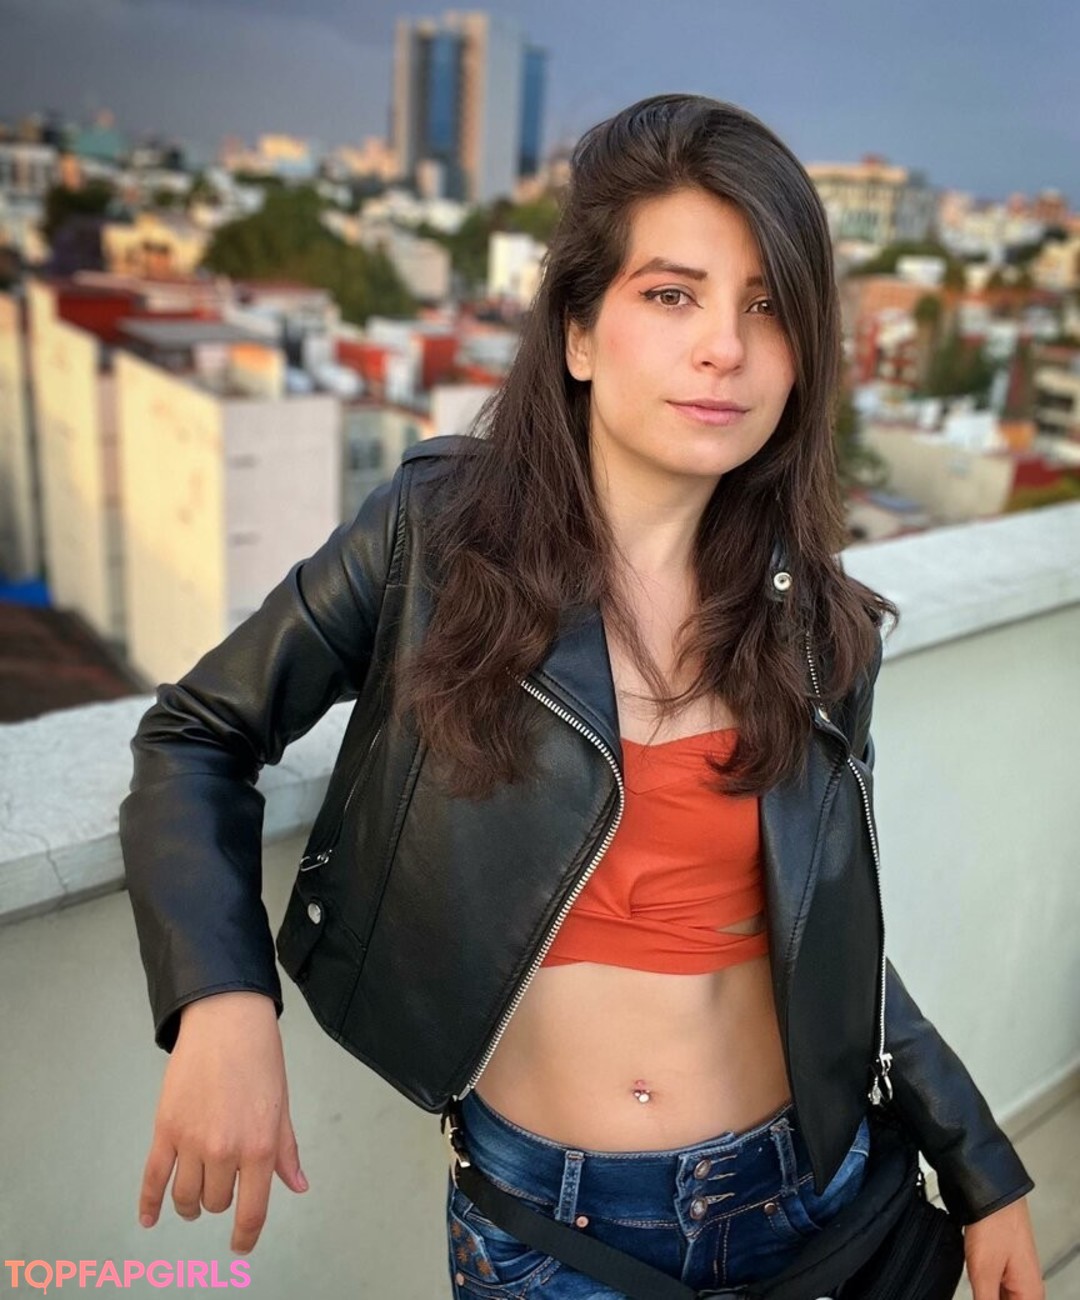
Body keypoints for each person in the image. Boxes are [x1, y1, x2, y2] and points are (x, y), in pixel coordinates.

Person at [119, 95, 1043, 1298]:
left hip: (818, 1196)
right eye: (672, 295)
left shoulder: (819, 623)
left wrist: (978, 1161)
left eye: (767, 305)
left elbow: (836, 941)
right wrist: (220, 998)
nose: (725, 347)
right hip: (555, 1233)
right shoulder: (436, 538)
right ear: (579, 333)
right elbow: (197, 732)